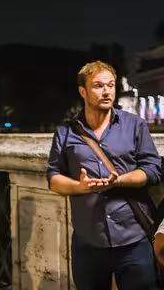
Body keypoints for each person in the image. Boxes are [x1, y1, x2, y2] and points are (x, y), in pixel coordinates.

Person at [47, 61, 162, 289]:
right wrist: (80, 187)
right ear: (83, 91)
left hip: (133, 241)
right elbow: (53, 178)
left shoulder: (135, 125)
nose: (107, 91)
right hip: (88, 243)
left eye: (110, 85)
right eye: (98, 85)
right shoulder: (65, 133)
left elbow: (153, 169)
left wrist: (119, 180)